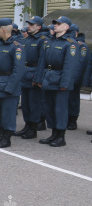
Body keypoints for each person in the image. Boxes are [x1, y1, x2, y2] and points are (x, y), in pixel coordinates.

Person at [35, 16, 78, 147]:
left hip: (60, 80)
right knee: (48, 107)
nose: (55, 25)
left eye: (59, 24)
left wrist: (65, 83)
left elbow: (69, 66)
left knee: (60, 109)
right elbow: (42, 62)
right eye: (55, 23)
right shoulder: (49, 41)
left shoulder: (70, 43)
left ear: (66, 27)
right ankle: (53, 133)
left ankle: (60, 136)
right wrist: (39, 78)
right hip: (48, 77)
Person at [0, 19, 25, 148]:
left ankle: (7, 138)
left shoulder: (16, 47)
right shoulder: (0, 45)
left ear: (3, 30)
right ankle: (1, 135)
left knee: (8, 114)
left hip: (8, 84)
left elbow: (18, 70)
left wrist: (10, 87)